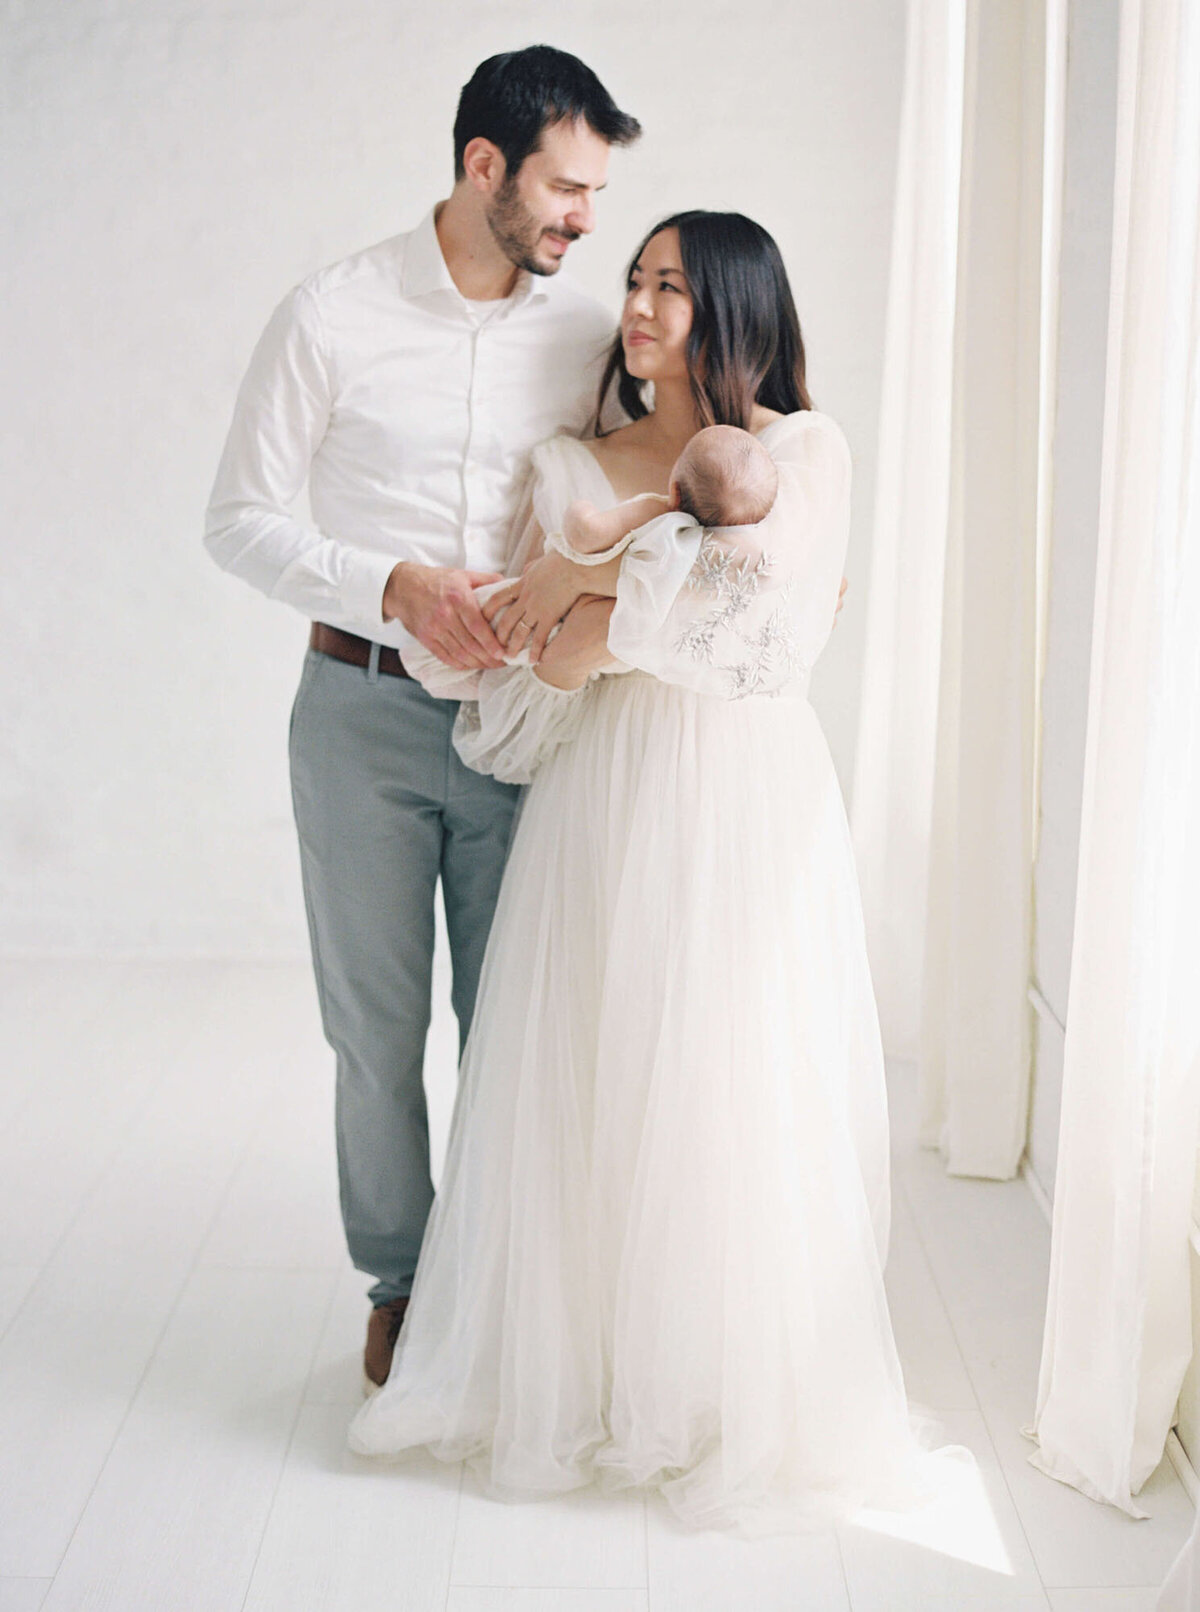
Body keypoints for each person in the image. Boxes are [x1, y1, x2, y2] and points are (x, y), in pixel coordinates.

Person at [349, 212, 968, 1534]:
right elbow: (546, 661)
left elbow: (764, 630)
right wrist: (613, 619)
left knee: (732, 1070)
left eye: (672, 286)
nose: (638, 304)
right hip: (605, 793)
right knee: (604, 1060)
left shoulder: (805, 448)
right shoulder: (568, 459)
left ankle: (720, 1386)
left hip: (745, 790)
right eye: (633, 280)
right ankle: (596, 1373)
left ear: (737, 303)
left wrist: (598, 612)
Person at [203, 46, 640, 1392]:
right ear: (483, 166)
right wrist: (387, 583)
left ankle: (505, 1294)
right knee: (375, 1033)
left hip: (525, 727)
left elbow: (651, 467)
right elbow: (238, 521)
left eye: (597, 194)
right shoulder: (329, 315)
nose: (584, 219)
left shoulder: (583, 336)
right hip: (359, 718)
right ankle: (398, 1288)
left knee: (514, 1026)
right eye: (566, 188)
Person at [399, 422, 779, 701]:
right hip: (623, 652)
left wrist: (579, 510)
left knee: (502, 621)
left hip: (570, 613)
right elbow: (761, 575)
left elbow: (587, 534)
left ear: (675, 488)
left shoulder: (656, 512)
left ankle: (429, 664)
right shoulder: (716, 557)